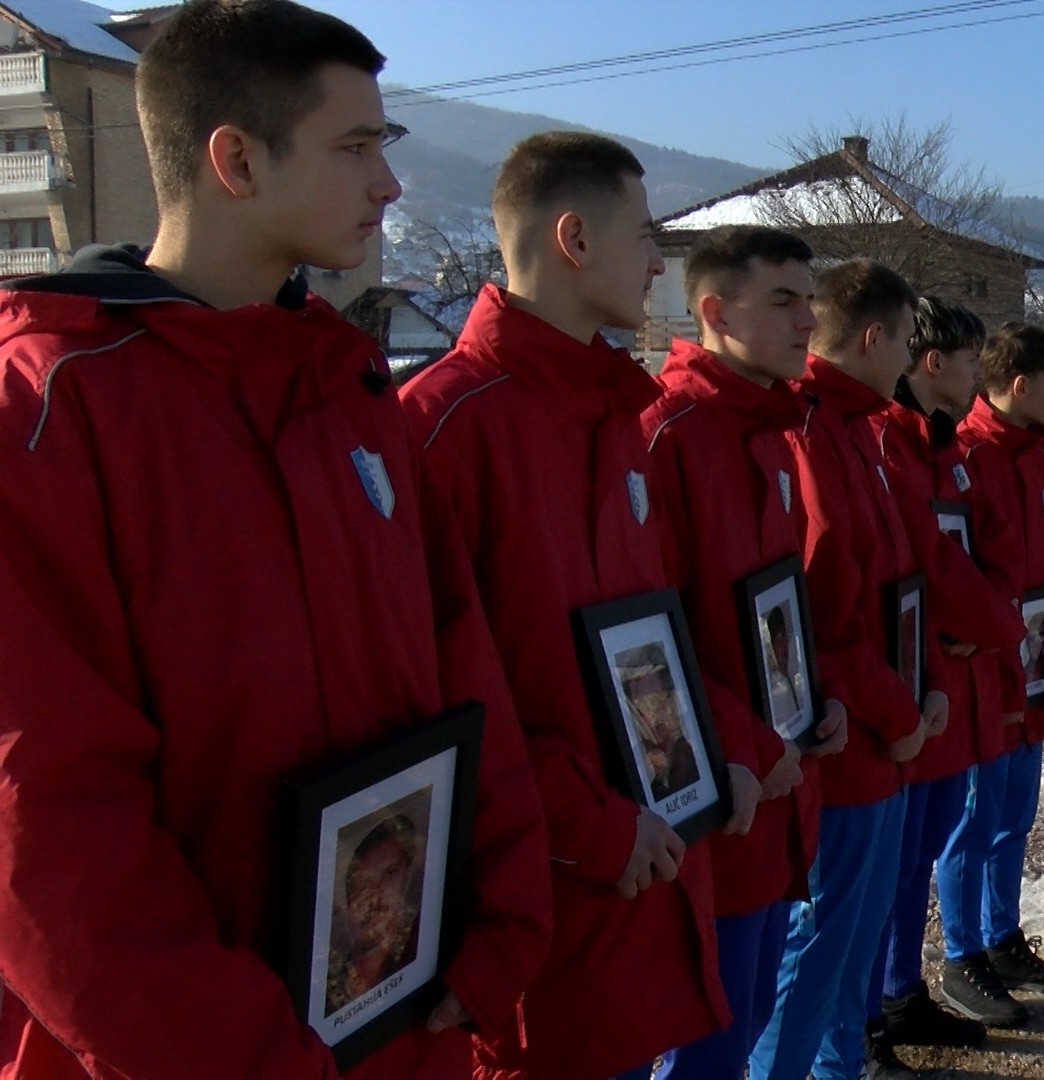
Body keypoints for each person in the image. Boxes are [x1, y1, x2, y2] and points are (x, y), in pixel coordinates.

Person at [0, 3, 552, 1076]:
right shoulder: (50, 411)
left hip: (398, 1018)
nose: (389, 186)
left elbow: (460, 671)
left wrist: (498, 914)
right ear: (236, 160)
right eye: (355, 149)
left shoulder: (346, 394)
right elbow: (44, 819)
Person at [400, 131, 784, 1078]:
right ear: (573, 237)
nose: (658, 259)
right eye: (645, 233)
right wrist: (593, 828)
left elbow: (652, 639)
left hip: (644, 869)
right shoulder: (443, 427)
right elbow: (440, 697)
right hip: (545, 904)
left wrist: (724, 746)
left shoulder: (616, 419)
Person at [641, 225, 850, 1080]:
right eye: (785, 300)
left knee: (753, 1006)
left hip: (776, 787)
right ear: (715, 311)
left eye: (810, 297)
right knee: (708, 1029)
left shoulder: (769, 432)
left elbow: (781, 608)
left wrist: (818, 694)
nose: (810, 317)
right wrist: (747, 745)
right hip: (715, 803)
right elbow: (653, 641)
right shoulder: (667, 435)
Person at [755, 259, 948, 1080]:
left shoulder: (866, 431)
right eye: (906, 340)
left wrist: (927, 682)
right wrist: (901, 713)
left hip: (882, 734)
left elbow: (909, 574)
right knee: (817, 947)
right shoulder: (809, 430)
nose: (909, 359)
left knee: (850, 946)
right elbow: (825, 619)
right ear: (873, 336)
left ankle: (840, 1068)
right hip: (848, 746)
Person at [863, 294, 1025, 1073]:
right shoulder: (888, 444)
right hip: (908, 682)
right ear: (933, 363)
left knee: (920, 851)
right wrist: (989, 618)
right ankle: (867, 1015)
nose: (976, 377)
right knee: (883, 867)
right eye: (968, 362)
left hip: (949, 680)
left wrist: (988, 615)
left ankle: (900, 990)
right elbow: (922, 562)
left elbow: (988, 545)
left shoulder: (945, 446)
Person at [942, 322, 1044, 1024]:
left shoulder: (1036, 457)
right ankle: (962, 953)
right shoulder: (964, 454)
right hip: (982, 676)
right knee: (972, 823)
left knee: (1010, 817)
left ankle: (1001, 937)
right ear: (1022, 384)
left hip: (1029, 670)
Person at [327, 815, 423, 1015]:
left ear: (407, 874)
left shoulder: (423, 957)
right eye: (361, 883)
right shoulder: (319, 981)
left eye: (390, 873)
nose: (376, 895)